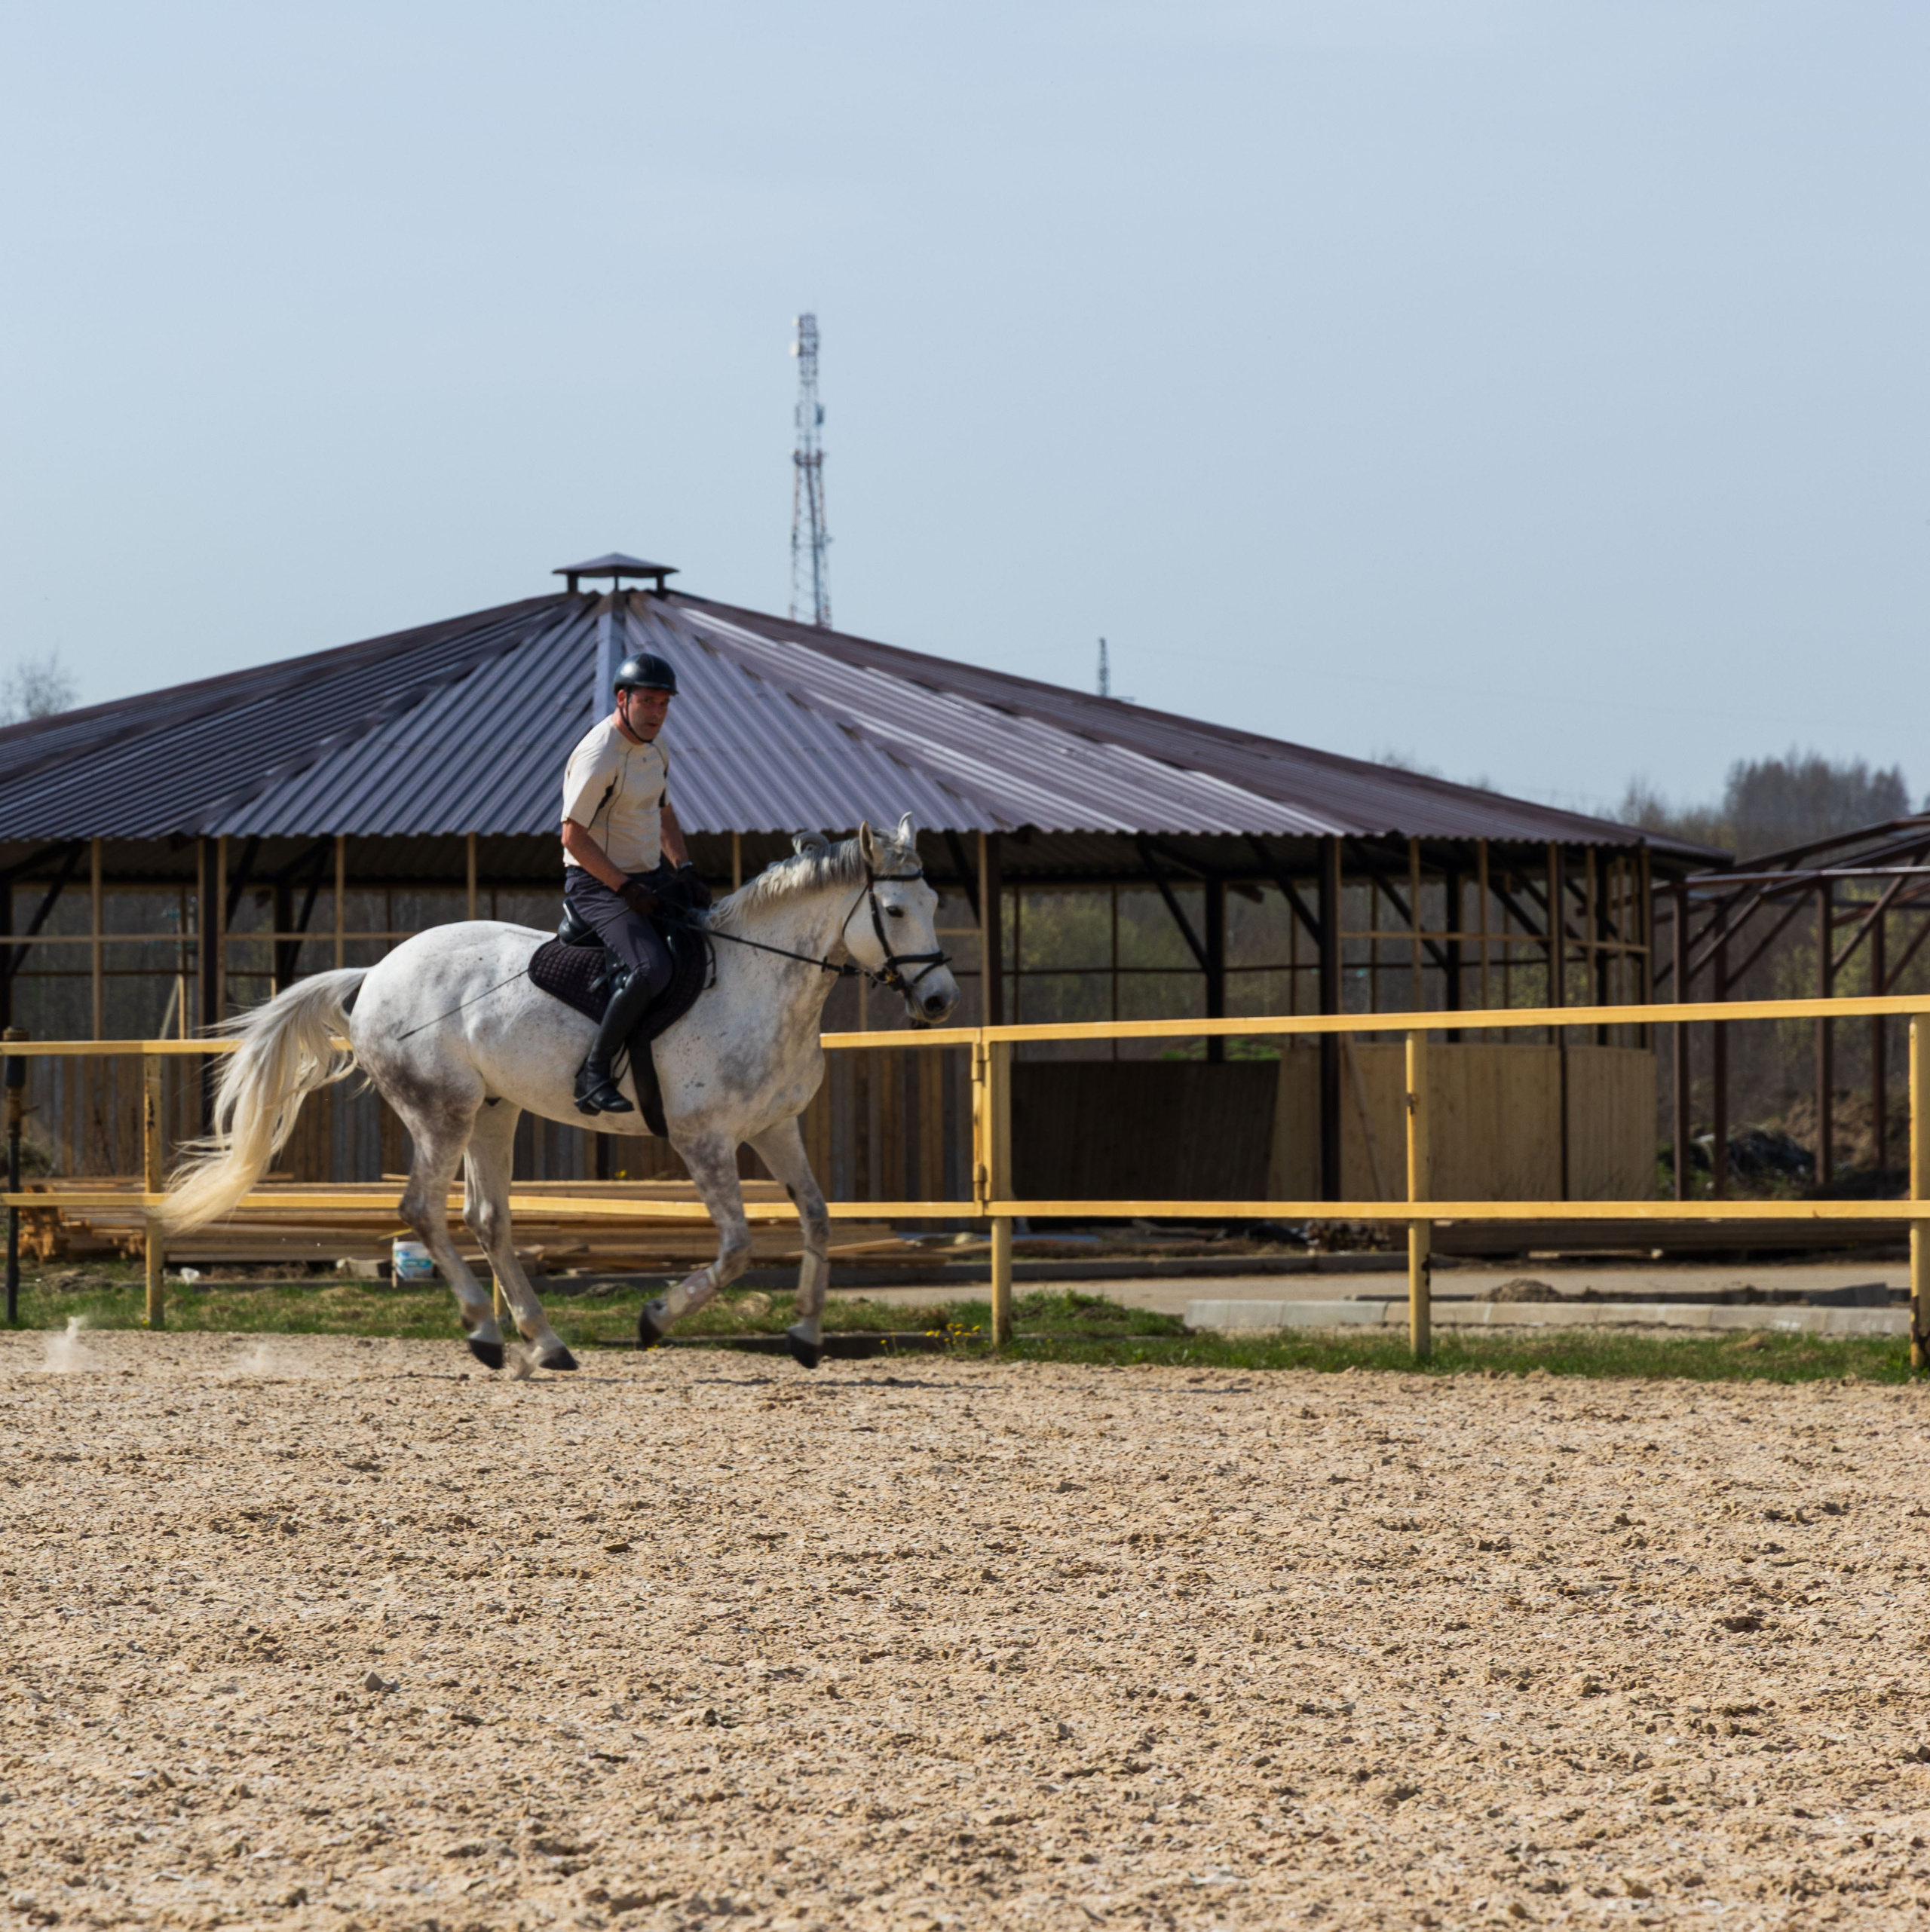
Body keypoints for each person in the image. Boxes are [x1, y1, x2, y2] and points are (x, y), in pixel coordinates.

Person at [559, 651, 712, 1115]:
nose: (658, 714)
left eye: (665, 704)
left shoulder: (656, 747)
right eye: (648, 703)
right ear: (622, 699)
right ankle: (594, 1072)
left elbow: (662, 811)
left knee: (708, 934)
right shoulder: (599, 754)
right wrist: (624, 888)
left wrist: (683, 869)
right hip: (595, 883)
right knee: (653, 969)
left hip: (648, 876)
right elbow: (573, 836)